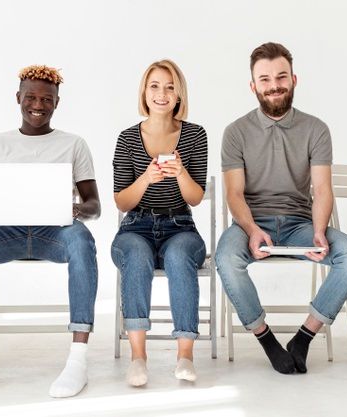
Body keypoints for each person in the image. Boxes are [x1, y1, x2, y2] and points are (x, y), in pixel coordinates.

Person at [0, 65, 100, 401]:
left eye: (47, 99)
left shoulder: (74, 144)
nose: (38, 104)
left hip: (54, 232)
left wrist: (73, 209)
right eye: (30, 97)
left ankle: (77, 361)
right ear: (18, 98)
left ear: (57, 103)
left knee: (82, 240)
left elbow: (94, 206)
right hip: (6, 232)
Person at [215, 42, 347, 374]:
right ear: (253, 86)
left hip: (301, 224)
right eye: (265, 79)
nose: (274, 85)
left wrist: (318, 232)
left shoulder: (316, 129)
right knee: (225, 258)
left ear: (294, 79)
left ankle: (304, 337)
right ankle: (267, 340)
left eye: (281, 76)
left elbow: (323, 189)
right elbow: (234, 195)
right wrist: (253, 230)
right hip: (250, 224)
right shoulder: (235, 132)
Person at [111, 59, 208, 386]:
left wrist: (181, 173)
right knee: (136, 257)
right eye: (155, 86)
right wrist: (146, 179)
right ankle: (138, 357)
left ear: (179, 93)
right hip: (134, 226)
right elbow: (122, 202)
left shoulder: (195, 135)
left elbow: (195, 198)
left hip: (180, 226)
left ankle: (185, 355)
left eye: (169, 86)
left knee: (181, 257)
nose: (162, 93)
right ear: (144, 91)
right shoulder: (127, 139)